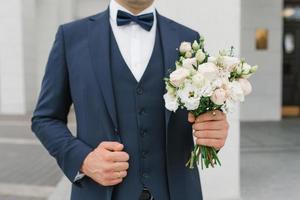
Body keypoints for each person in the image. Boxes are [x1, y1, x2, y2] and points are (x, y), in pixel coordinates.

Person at [31, 0, 229, 199]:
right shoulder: (71, 37)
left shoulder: (188, 38)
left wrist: (214, 128)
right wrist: (83, 159)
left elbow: (204, 112)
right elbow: (45, 119)